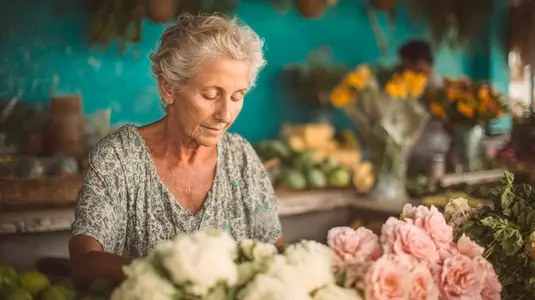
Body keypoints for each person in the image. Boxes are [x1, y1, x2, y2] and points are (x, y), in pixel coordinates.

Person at [69, 13, 283, 288]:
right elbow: (84, 261)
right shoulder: (120, 157)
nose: (225, 114)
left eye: (237, 96)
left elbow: (276, 254)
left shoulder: (241, 157)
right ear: (168, 88)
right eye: (210, 95)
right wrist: (176, 270)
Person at [398, 40, 451, 175]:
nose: (404, 67)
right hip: (418, 145)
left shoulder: (434, 86)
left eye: (407, 62)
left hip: (430, 147)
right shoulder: (412, 82)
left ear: (419, 61)